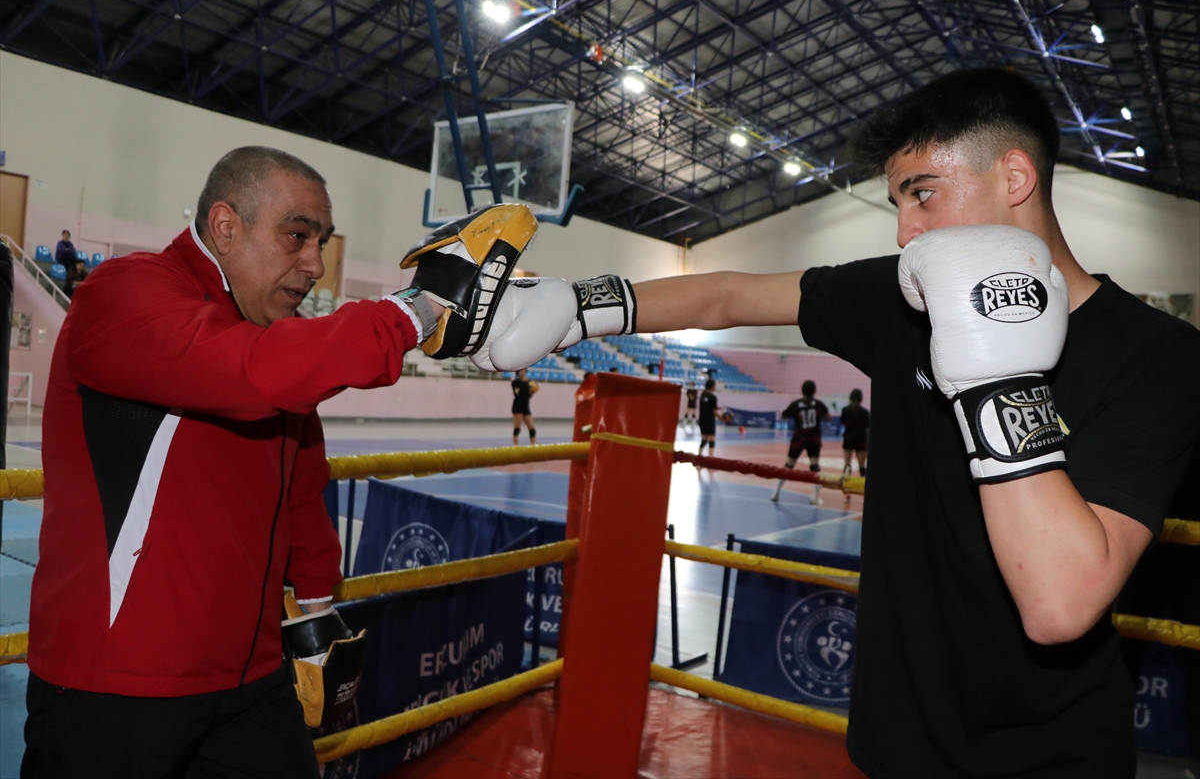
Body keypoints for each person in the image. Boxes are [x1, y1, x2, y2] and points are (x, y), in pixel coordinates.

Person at [469, 67, 1200, 776]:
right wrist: (577, 303)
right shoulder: (902, 301)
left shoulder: (1157, 357)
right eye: (898, 207)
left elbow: (1058, 605)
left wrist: (997, 376)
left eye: (924, 194)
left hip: (1054, 758)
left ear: (1014, 178)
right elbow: (725, 296)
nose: (907, 232)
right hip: (893, 743)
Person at [23, 145, 535, 778]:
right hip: (117, 684)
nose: (315, 264)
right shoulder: (124, 295)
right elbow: (250, 373)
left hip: (252, 679)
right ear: (225, 225)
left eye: (321, 242)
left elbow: (299, 481)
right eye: (297, 236)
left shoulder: (268, 336)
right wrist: (418, 308)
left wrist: (317, 608)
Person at [771, 379, 829, 501]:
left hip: (799, 439)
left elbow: (783, 415)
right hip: (814, 439)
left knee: (789, 465)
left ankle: (776, 493)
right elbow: (829, 417)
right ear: (814, 391)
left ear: (802, 391)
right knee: (815, 467)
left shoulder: (796, 404)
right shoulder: (819, 404)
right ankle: (815, 497)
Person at [840, 388, 869, 479]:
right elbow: (867, 429)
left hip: (848, 438)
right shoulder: (865, 412)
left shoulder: (845, 410)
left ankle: (845, 487)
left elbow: (843, 423)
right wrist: (867, 441)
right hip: (860, 439)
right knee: (862, 468)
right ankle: (864, 488)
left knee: (847, 466)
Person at [512, 368, 537, 444]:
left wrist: (532, 390)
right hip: (517, 406)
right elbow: (516, 393)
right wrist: (527, 388)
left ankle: (534, 447)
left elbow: (529, 395)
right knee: (517, 428)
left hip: (526, 406)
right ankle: (515, 447)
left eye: (524, 371)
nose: (522, 372)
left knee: (532, 429)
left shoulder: (530, 382)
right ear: (518, 372)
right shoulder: (515, 382)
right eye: (520, 371)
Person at [697, 378, 719, 454]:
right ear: (712, 386)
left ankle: (699, 457)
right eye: (715, 385)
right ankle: (711, 459)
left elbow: (707, 406)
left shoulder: (703, 395)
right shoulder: (713, 397)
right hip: (709, 421)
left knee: (704, 439)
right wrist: (723, 419)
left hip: (702, 420)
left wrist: (716, 407)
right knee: (711, 440)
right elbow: (714, 412)